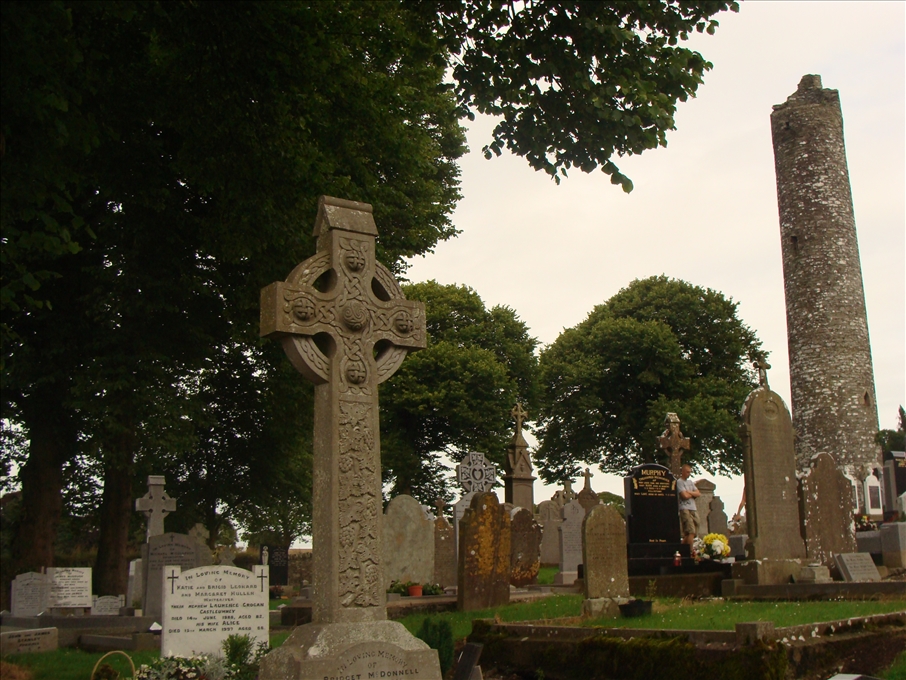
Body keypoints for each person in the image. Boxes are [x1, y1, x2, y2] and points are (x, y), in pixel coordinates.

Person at [677, 463, 701, 547]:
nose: (689, 474)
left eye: (690, 472)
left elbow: (698, 493)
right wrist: (692, 494)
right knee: (691, 531)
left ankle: (681, 548)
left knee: (695, 528)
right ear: (682, 472)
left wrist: (689, 492)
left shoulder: (690, 482)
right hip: (685, 508)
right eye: (687, 472)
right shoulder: (679, 482)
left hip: (693, 508)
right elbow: (684, 496)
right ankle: (691, 552)